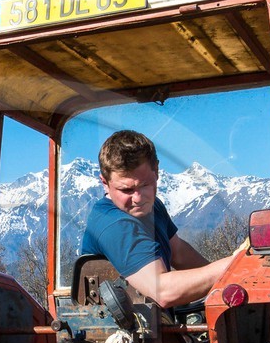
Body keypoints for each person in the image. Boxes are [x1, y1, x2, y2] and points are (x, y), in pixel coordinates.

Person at [80, 129, 239, 307]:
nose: (138, 198)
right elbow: (161, 292)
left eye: (145, 185)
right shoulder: (116, 224)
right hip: (127, 332)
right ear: (105, 183)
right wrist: (234, 266)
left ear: (156, 171)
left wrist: (226, 280)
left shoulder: (153, 206)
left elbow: (178, 252)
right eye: (126, 190)